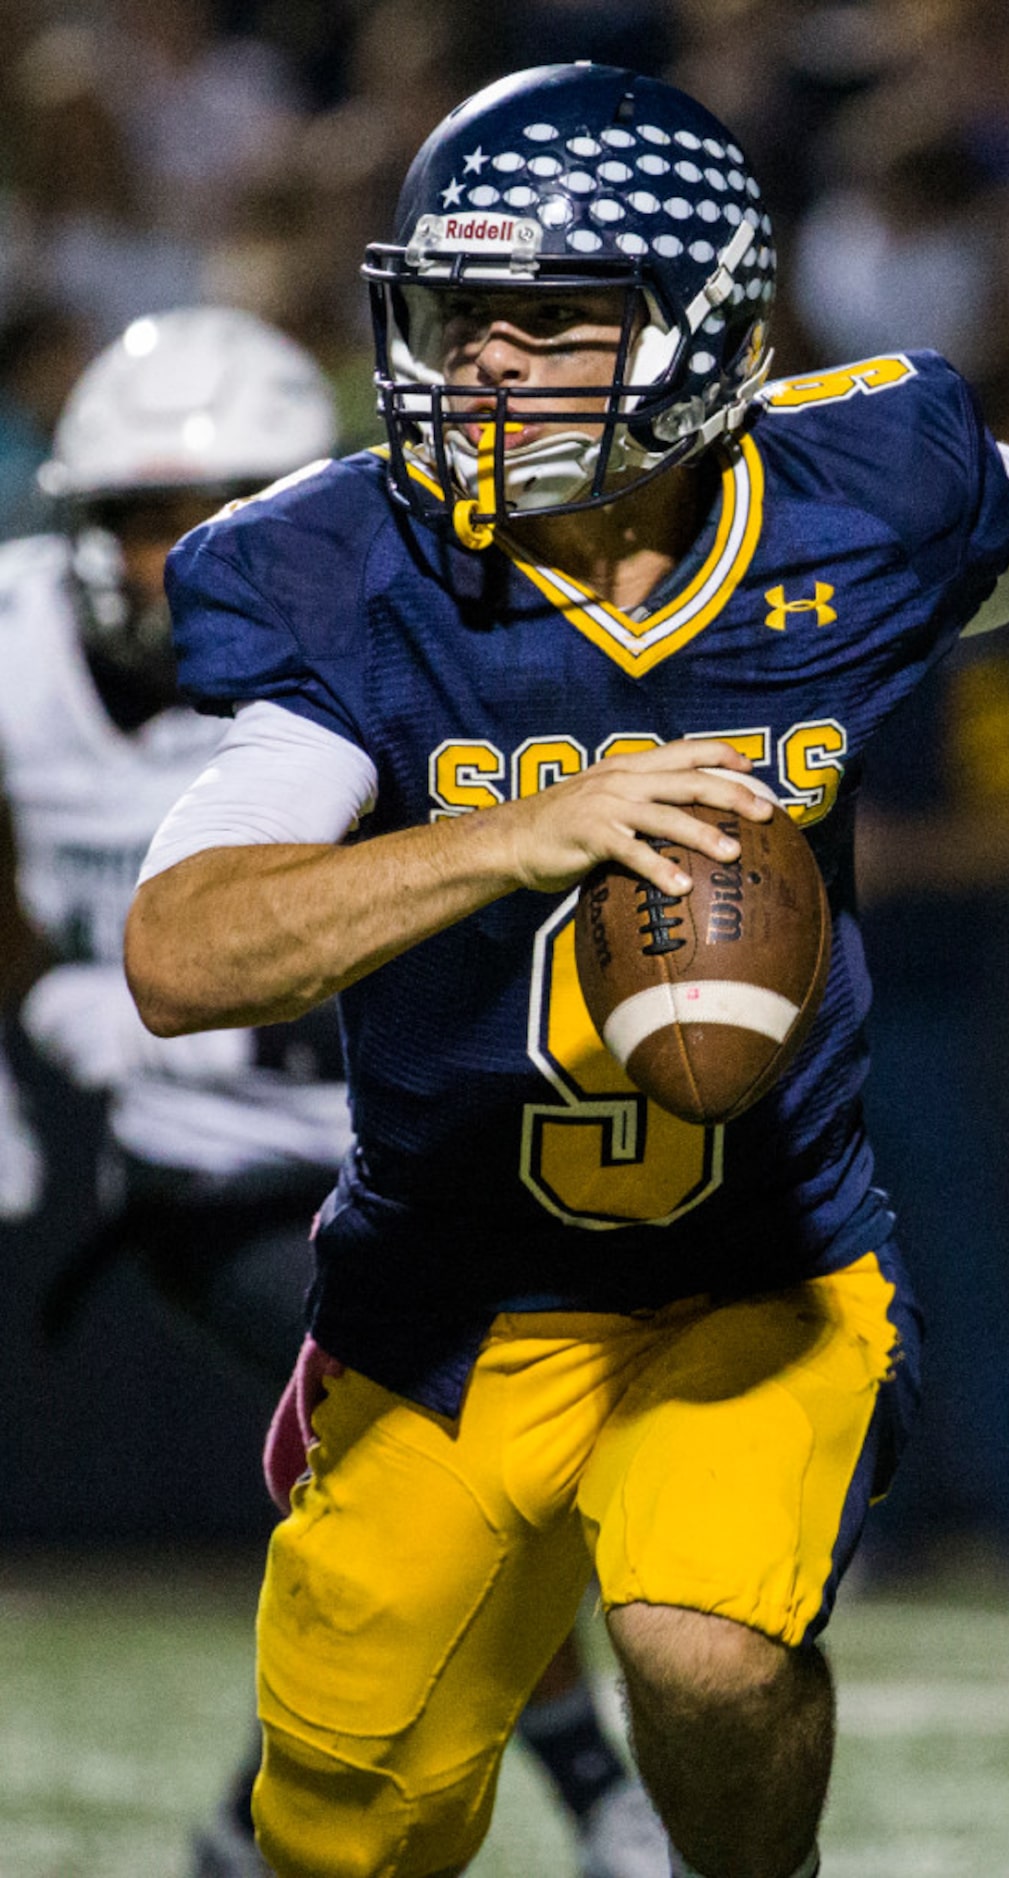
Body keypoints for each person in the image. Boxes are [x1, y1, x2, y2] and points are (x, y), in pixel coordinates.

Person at [122, 63, 1009, 1878]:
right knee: (351, 1826)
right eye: (455, 317)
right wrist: (516, 830)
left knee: (708, 1652)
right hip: (447, 1299)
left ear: (696, 332)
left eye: (543, 324)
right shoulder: (356, 571)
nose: (479, 366)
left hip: (762, 1265)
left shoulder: (854, 496)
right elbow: (180, 950)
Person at [0, 302, 661, 1878]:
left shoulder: (412, 629)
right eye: (140, 517)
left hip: (430, 1148)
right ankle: (585, 1799)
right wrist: (46, 1000)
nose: (174, 556)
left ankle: (281, 1820)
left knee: (473, 1492)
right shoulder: (22, 638)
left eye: (211, 516)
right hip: (216, 1179)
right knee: (461, 1445)